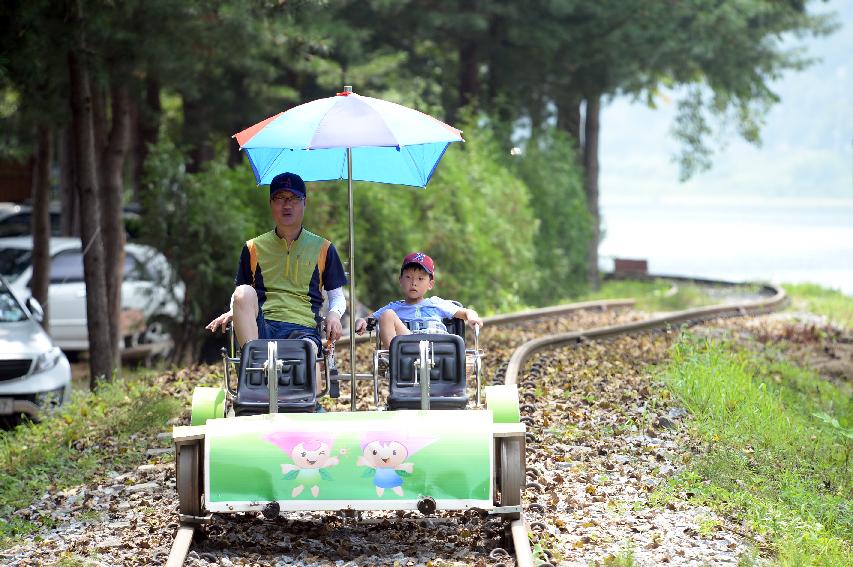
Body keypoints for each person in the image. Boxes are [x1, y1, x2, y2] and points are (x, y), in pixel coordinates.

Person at [206, 172, 347, 360]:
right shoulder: (252, 247)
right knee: (242, 292)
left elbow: (337, 297)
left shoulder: (324, 248)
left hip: (304, 330)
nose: (287, 205)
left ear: (305, 203)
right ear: (271, 204)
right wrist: (235, 311)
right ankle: (254, 370)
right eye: (279, 198)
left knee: (306, 364)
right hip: (263, 327)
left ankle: (294, 378)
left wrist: (335, 314)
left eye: (294, 198)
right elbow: (241, 294)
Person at [354, 252, 482, 348]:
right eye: (409, 277)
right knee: (387, 315)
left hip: (437, 347)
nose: (413, 283)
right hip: (409, 348)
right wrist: (361, 321)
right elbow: (368, 320)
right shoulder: (394, 308)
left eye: (420, 279)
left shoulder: (436, 303)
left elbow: (466, 312)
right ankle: (395, 361)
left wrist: (472, 317)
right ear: (400, 281)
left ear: (430, 284)